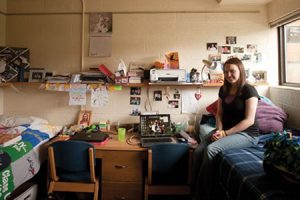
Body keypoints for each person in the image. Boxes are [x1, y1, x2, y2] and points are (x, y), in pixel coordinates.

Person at [192, 57, 260, 200]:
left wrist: (225, 133)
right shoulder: (223, 89)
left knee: (211, 150)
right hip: (225, 131)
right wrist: (219, 130)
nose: (229, 75)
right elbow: (219, 114)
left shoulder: (249, 90)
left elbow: (249, 120)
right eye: (226, 71)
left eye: (232, 71)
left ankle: (203, 194)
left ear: (240, 71)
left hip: (246, 134)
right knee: (198, 151)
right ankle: (193, 188)